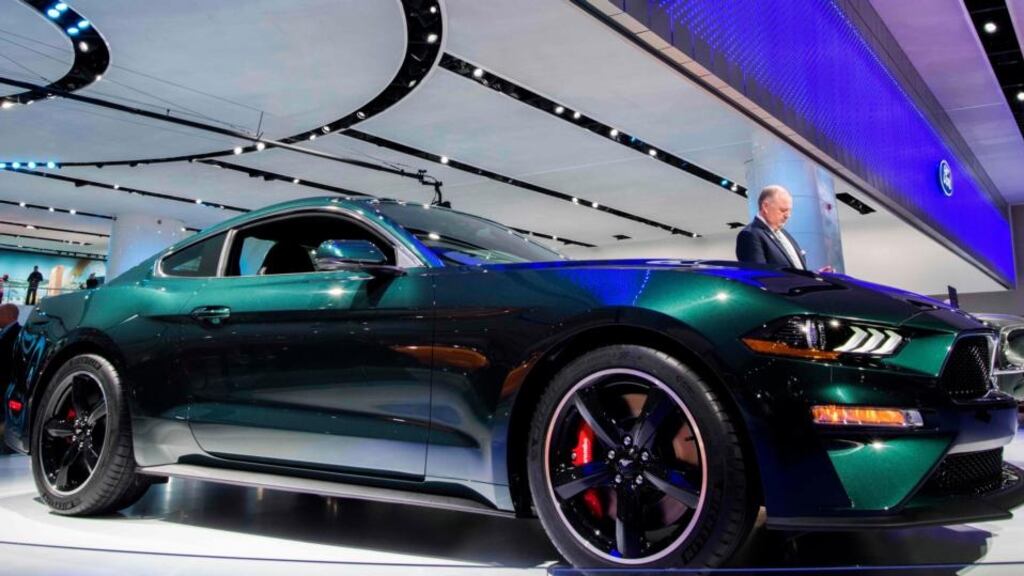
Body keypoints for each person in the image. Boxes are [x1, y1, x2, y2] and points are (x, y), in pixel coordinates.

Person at [736, 185, 833, 272]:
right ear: (765, 206)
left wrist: (817, 276)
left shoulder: (784, 234)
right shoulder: (750, 235)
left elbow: (795, 272)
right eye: (783, 210)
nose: (788, 215)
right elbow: (760, 277)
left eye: (789, 211)